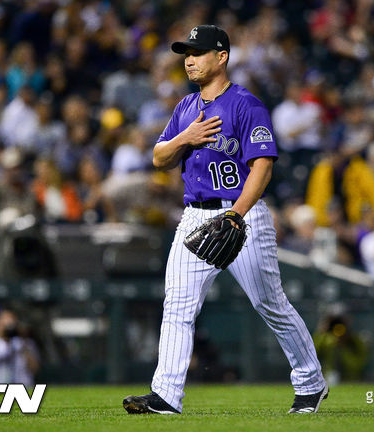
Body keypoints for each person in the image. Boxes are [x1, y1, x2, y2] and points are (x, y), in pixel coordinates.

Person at [122, 25, 327, 416]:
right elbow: (159, 157)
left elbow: (262, 166)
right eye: (186, 54)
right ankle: (166, 395)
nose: (189, 60)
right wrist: (185, 138)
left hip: (242, 214)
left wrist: (237, 213)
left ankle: (311, 383)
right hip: (194, 215)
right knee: (177, 305)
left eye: (197, 52)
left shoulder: (247, 105)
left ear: (222, 57)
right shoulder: (185, 108)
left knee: (270, 304)